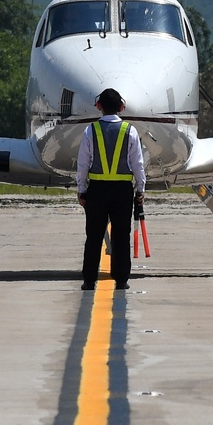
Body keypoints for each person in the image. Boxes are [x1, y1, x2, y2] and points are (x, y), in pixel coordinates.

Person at [75, 87, 146, 290]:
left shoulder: (91, 130)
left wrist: (82, 189)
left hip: (97, 190)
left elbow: (83, 163)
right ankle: (121, 279)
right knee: (121, 236)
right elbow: (137, 164)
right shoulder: (130, 131)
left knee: (94, 236)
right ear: (122, 107)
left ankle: (89, 280)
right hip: (122, 191)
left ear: (99, 106)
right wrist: (140, 189)